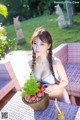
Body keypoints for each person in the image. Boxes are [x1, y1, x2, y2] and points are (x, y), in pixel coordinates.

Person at [29, 27, 71, 104]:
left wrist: (53, 86)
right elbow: (32, 81)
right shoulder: (31, 62)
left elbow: (65, 81)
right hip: (43, 100)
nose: (37, 48)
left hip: (60, 98)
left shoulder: (56, 63)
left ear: (48, 46)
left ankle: (72, 101)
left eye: (42, 44)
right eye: (35, 43)